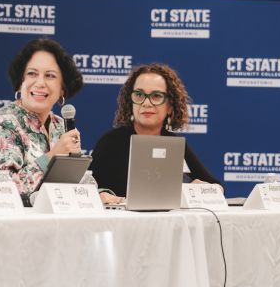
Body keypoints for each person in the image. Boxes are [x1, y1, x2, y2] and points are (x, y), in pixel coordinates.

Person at [0, 38, 84, 205]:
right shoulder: (0, 124)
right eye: (32, 74)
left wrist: (98, 194)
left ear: (62, 88)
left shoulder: (60, 126)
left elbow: (71, 185)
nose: (40, 83)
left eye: (50, 76)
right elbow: (2, 191)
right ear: (20, 82)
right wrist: (51, 157)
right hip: (2, 226)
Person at [90, 63, 223, 204]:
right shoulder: (110, 142)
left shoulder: (175, 144)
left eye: (156, 96)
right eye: (139, 95)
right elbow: (85, 188)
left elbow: (217, 187)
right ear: (131, 102)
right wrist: (100, 195)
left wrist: (202, 190)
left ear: (170, 106)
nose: (146, 103)